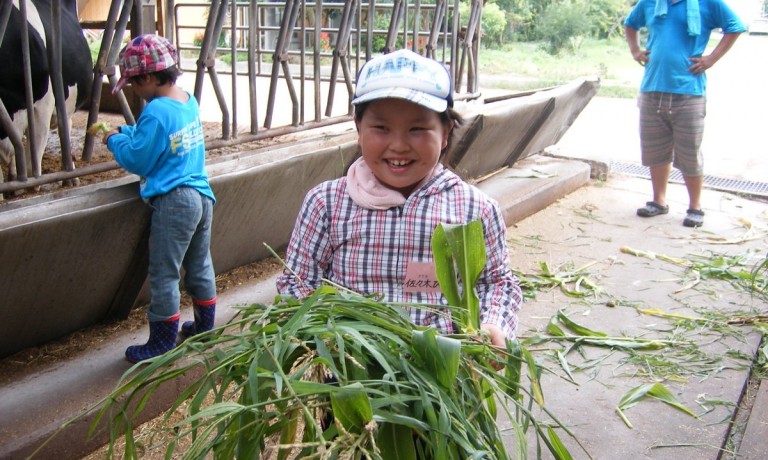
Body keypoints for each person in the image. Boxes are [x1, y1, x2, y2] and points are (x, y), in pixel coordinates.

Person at [276, 49, 522, 346]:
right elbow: (298, 283)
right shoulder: (326, 204)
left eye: (417, 129)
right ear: (359, 130)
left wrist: (494, 324)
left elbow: (496, 283)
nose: (399, 145)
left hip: (440, 369)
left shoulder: (474, 209)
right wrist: (321, 335)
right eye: (381, 128)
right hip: (349, 372)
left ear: (445, 133)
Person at [102, 34, 217, 363]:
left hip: (175, 201)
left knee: (165, 272)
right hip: (202, 196)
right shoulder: (187, 100)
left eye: (134, 83)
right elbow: (160, 139)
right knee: (199, 264)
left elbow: (139, 159)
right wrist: (127, 132)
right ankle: (205, 327)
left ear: (149, 77)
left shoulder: (154, 111)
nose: (133, 90)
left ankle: (162, 342)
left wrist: (114, 142)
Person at [624, 0, 745, 227]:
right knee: (655, 149)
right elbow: (630, 24)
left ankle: (695, 207)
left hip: (689, 91)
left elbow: (735, 26)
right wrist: (635, 50)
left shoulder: (708, 3)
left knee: (689, 152)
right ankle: (658, 202)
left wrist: (711, 59)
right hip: (652, 88)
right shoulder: (650, 3)